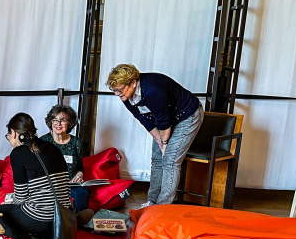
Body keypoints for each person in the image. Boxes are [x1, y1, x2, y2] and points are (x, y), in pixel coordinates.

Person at [106, 64, 204, 207]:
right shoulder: (126, 96)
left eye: (119, 90)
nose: (116, 94)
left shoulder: (152, 90)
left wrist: (164, 144)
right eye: (114, 90)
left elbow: (164, 123)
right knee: (157, 159)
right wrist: (160, 142)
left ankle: (163, 206)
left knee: (170, 161)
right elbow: (145, 120)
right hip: (165, 118)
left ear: (133, 83)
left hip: (187, 115)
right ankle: (152, 201)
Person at [0, 113, 70, 239]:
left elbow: (20, 198)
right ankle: (45, 237)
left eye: (9, 135)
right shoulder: (53, 148)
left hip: (40, 218)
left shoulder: (18, 154)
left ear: (14, 133)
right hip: (63, 218)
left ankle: (30, 238)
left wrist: (9, 203)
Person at [39, 104, 94, 222]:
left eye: (63, 120)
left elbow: (80, 167)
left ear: (70, 123)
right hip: (51, 185)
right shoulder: (43, 141)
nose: (58, 123)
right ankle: (62, 221)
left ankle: (76, 220)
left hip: (71, 185)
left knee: (81, 193)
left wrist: (79, 176)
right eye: (55, 120)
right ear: (50, 122)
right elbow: (38, 168)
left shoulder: (76, 142)